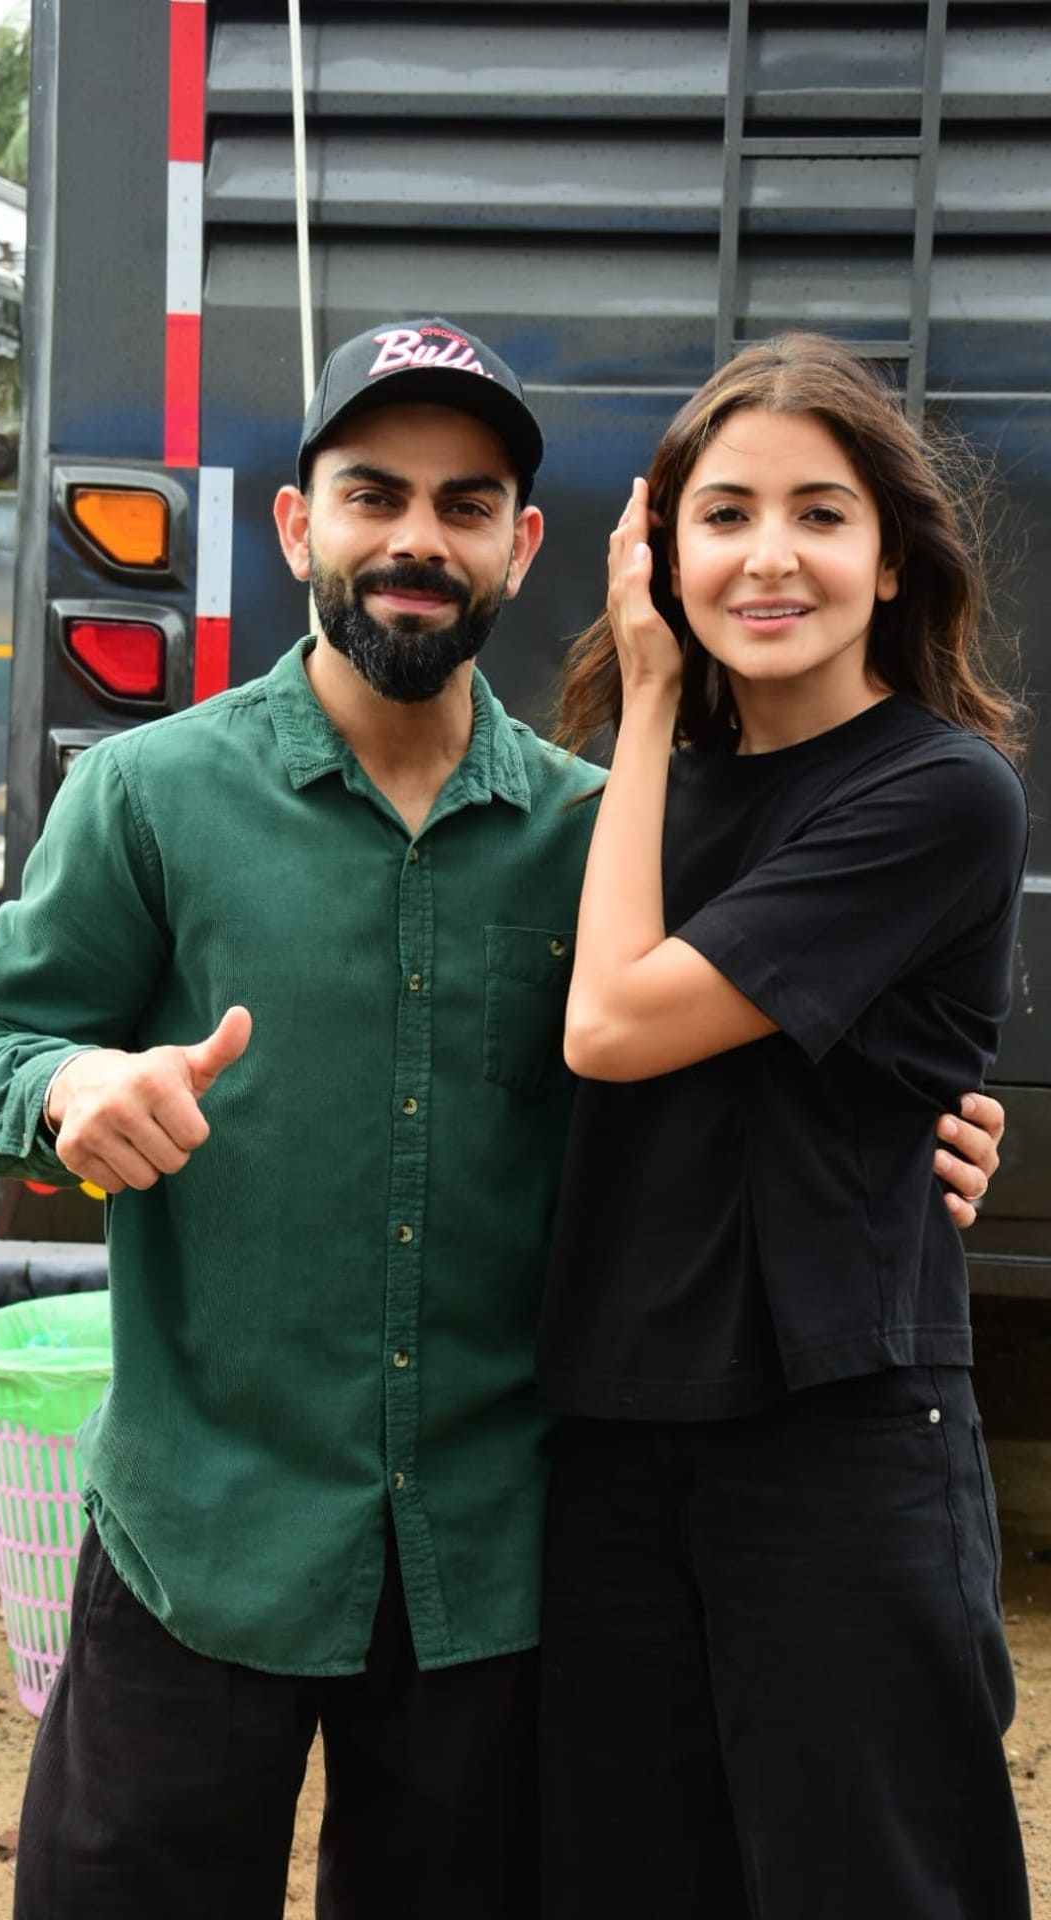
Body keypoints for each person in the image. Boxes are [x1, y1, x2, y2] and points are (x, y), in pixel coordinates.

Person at [0, 319, 1002, 1920]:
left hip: (487, 1570)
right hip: (199, 1541)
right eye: (373, 494)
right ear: (298, 524)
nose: (413, 540)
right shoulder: (149, 798)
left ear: (524, 549)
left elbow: (761, 1060)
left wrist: (924, 1137)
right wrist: (69, 1084)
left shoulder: (607, 838)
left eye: (464, 506)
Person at [537, 332, 1031, 1919]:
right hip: (612, 1426)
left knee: (864, 1874)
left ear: (892, 562)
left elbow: (611, 1027)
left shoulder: (940, 790)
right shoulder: (623, 801)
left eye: (821, 515)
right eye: (725, 514)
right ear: (659, 554)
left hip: (839, 1422)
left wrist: (653, 692)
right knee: (627, 1872)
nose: (770, 556)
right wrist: (648, 740)